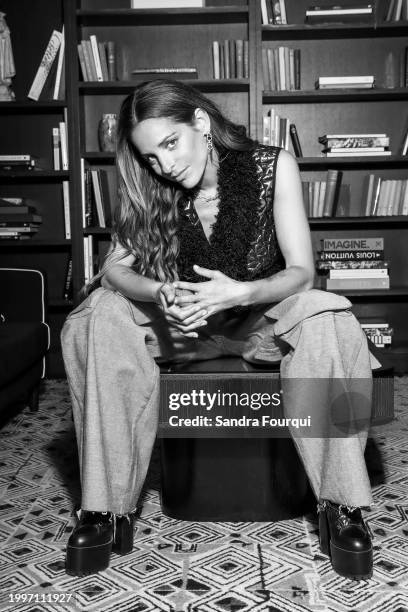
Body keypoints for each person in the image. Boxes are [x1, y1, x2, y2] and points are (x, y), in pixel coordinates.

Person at [61, 79, 380, 580]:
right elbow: (115, 270)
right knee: (99, 312)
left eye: (170, 144)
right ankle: (106, 509)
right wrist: (158, 292)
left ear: (201, 124)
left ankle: (341, 505)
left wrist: (242, 292)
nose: (163, 165)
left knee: (326, 314)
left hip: (257, 321)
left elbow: (302, 270)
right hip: (182, 326)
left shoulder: (273, 166)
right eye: (150, 157)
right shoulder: (148, 186)